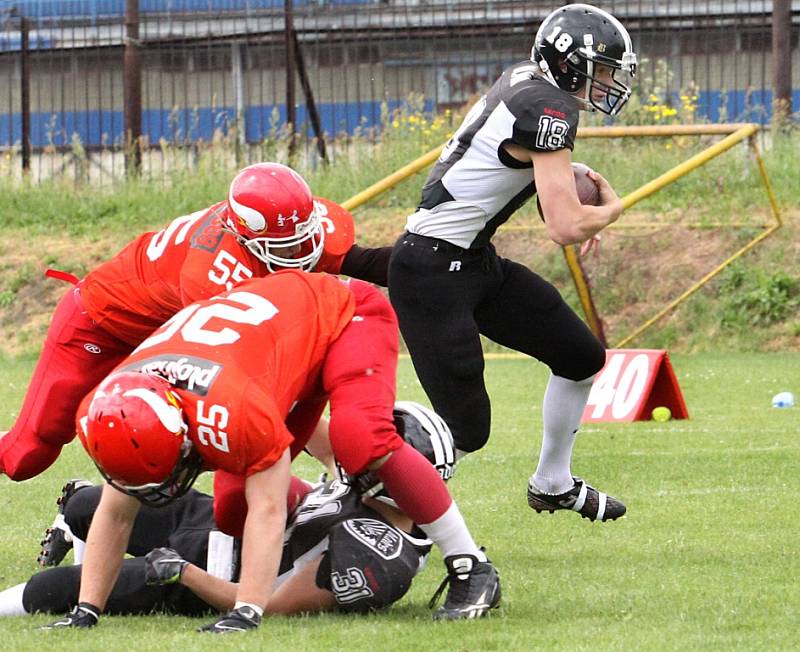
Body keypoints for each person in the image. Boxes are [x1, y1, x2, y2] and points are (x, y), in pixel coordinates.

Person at [44, 271, 500, 632]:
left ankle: (471, 566)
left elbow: (269, 509)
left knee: (361, 437)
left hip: (346, 314)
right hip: (268, 349)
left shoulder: (232, 412)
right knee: (229, 508)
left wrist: (247, 610)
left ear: (184, 431)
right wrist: (88, 609)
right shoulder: (118, 401)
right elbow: (118, 509)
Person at [387, 4, 637, 522]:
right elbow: (565, 228)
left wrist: (567, 180)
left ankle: (553, 482)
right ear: (572, 64)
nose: (611, 81)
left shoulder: (528, 83)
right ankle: (358, 478)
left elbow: (510, 160)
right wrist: (611, 209)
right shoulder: (550, 109)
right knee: (464, 430)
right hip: (432, 272)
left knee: (579, 355)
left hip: (470, 261)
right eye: (605, 69)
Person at [0, 162, 391, 482]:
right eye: (285, 247)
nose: (300, 253)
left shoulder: (283, 225)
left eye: (303, 238)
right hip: (98, 325)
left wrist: (434, 267)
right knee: (28, 455)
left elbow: (361, 260)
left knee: (173, 449)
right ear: (245, 237)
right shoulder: (213, 276)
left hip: (164, 330)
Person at [0, 402, 455, 620]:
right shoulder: (368, 486)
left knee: (51, 589)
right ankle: (80, 541)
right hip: (215, 520)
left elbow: (271, 604)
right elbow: (299, 420)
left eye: (375, 452)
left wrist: (183, 574)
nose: (356, 451)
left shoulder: (379, 555)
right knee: (88, 505)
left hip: (212, 569)